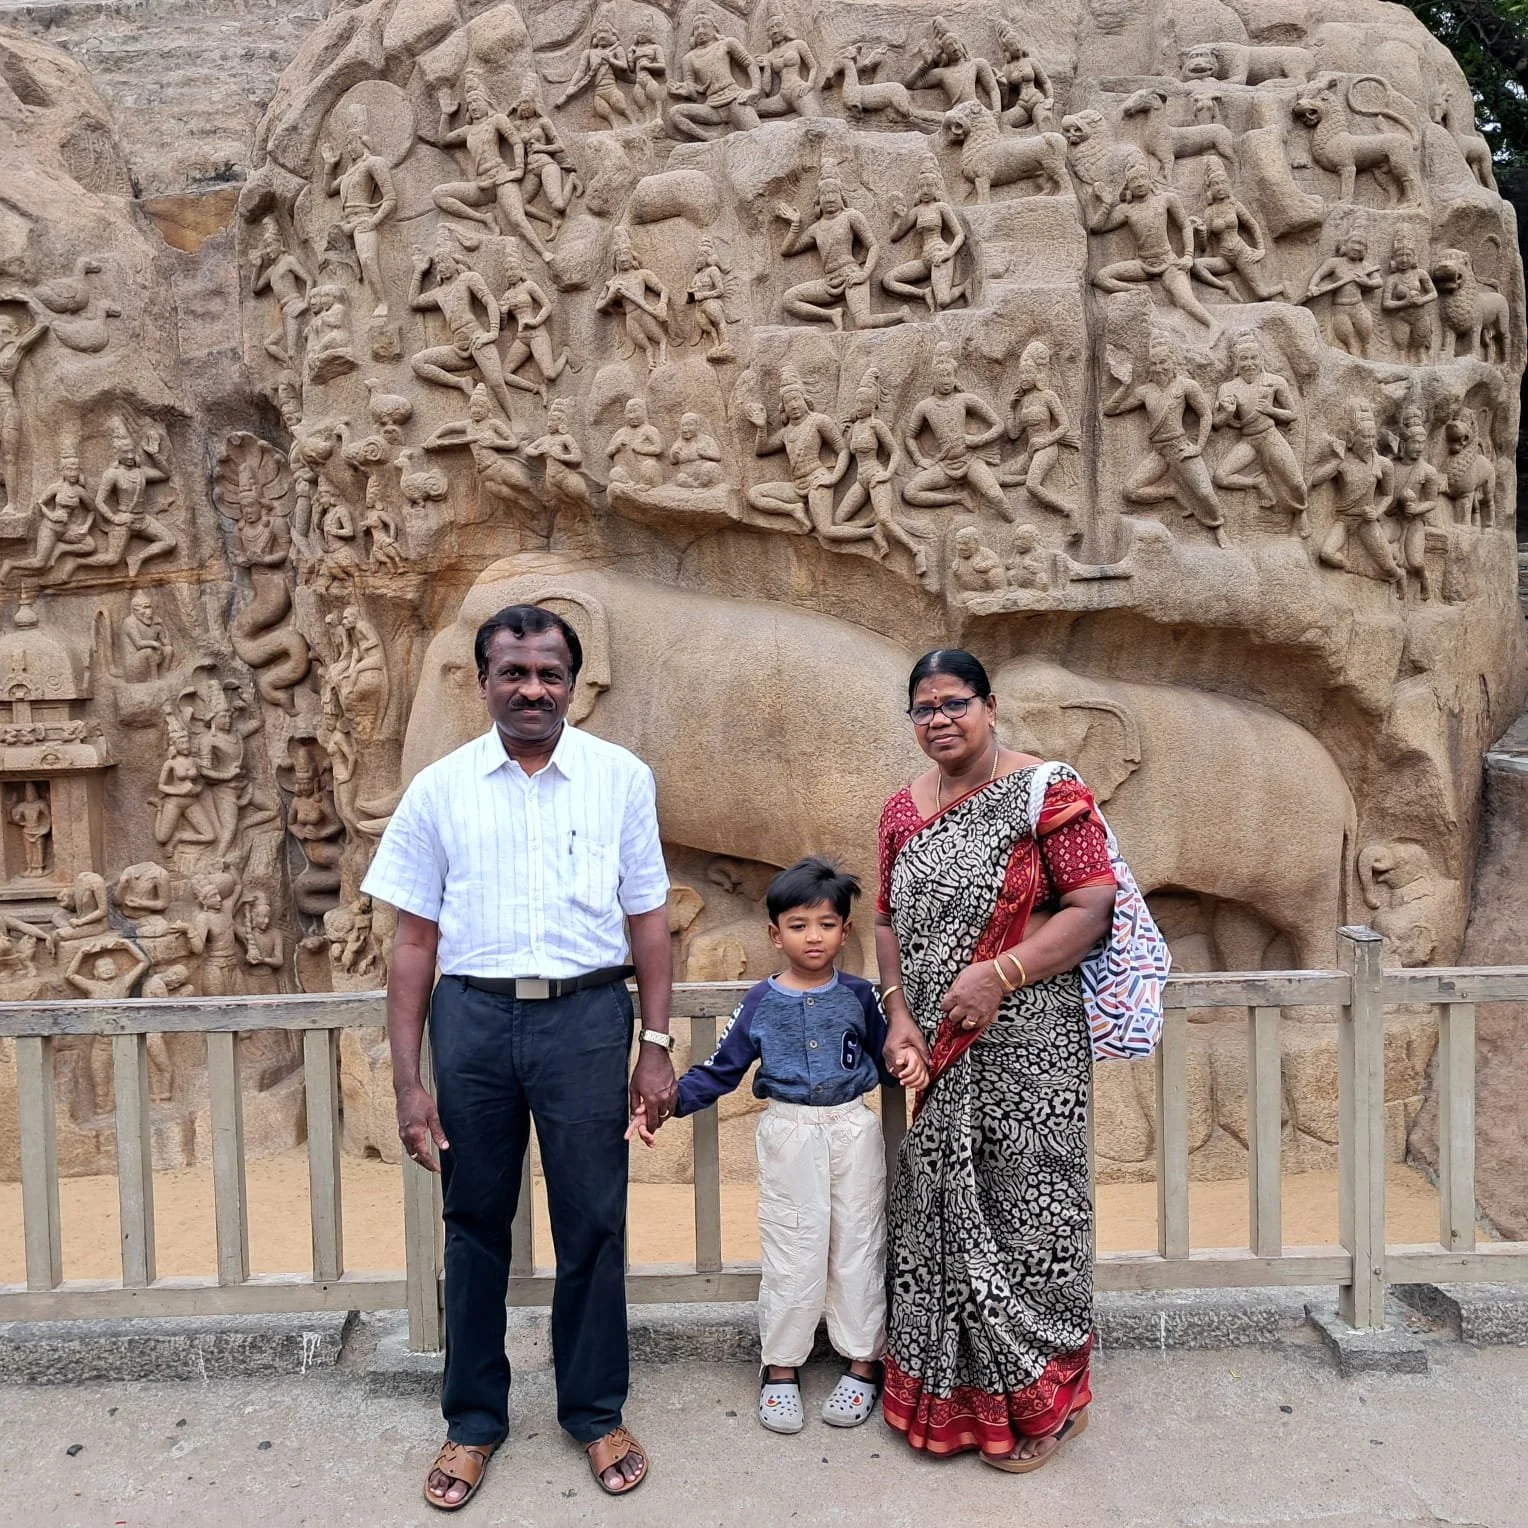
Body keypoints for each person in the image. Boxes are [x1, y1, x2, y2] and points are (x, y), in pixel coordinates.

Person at [362, 604, 675, 1510]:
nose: (532, 689)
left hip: (585, 1023)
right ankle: (472, 1421)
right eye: (514, 672)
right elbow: (414, 943)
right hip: (472, 1024)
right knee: (473, 1224)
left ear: (573, 684)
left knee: (593, 1222)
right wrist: (408, 1078)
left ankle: (592, 1410)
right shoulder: (440, 788)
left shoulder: (620, 778)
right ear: (484, 680)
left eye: (549, 673)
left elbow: (648, 920)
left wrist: (654, 1048)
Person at [876, 649, 1116, 1472]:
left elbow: (1094, 906)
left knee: (1030, 1218)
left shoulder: (1049, 791)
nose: (940, 720)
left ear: (989, 705)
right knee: (940, 1215)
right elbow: (883, 921)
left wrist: (1001, 973)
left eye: (955, 703)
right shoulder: (900, 812)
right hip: (936, 1056)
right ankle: (947, 1399)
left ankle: (1043, 1404)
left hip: (1030, 1049)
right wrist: (898, 1014)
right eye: (924, 709)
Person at [635, 859, 888, 1435]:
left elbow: (889, 1055)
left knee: (858, 1241)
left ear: (845, 931)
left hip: (853, 1129)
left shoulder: (860, 996)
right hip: (790, 1134)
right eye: (799, 925)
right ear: (775, 934)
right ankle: (780, 1367)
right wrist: (664, 1102)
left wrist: (917, 1062)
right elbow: (722, 1070)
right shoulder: (760, 1002)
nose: (814, 936)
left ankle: (863, 1360)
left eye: (826, 924)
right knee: (793, 1244)